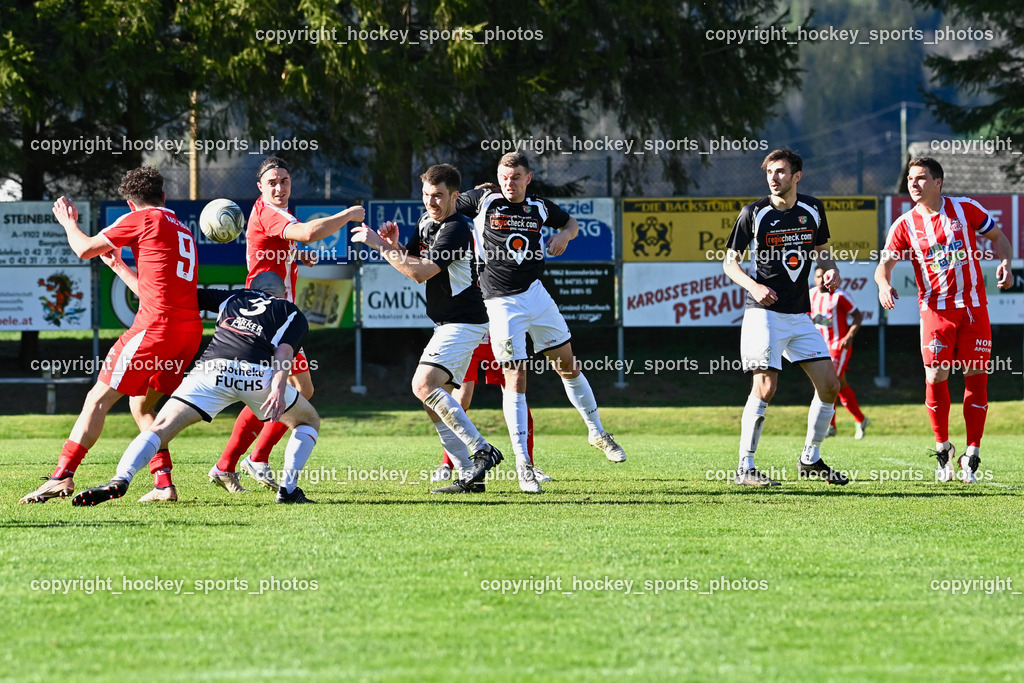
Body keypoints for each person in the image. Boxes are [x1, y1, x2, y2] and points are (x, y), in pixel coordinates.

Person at [20, 167, 202, 504]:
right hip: (187, 332)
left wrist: (68, 223)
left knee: (97, 399)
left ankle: (61, 477)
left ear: (131, 205)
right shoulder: (181, 228)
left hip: (155, 328)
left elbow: (85, 248)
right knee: (142, 406)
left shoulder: (143, 217)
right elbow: (154, 291)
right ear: (163, 196)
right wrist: (119, 266)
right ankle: (164, 484)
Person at [454, 152, 626, 493]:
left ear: (528, 177)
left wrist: (565, 236)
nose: (509, 182)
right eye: (504, 176)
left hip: (537, 296)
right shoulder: (483, 200)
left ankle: (597, 432)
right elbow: (445, 208)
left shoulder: (539, 207)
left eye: (516, 176)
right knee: (516, 378)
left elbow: (571, 224)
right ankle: (524, 467)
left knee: (569, 366)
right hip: (500, 304)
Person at [72, 272, 320, 505]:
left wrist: (125, 268)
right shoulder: (291, 311)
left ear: (251, 288)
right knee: (308, 421)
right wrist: (277, 387)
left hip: (210, 371)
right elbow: (284, 352)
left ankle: (121, 478)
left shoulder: (233, 297)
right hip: (257, 376)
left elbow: (177, 296)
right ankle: (288, 489)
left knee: (160, 428)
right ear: (284, 291)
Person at [351, 164, 504, 492]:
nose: (431, 202)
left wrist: (379, 245)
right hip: (448, 322)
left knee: (422, 385)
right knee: (434, 399)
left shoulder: (456, 228)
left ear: (455, 196)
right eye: (426, 195)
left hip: (464, 321)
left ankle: (482, 450)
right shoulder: (425, 222)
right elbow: (411, 260)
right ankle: (468, 476)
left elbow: (421, 273)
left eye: (438, 196)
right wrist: (393, 246)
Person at [215, 156, 364, 492]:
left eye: (284, 180)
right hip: (268, 318)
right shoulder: (270, 212)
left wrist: (295, 254)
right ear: (260, 187)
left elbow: (276, 247)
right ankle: (244, 461)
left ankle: (237, 463)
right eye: (272, 182)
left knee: (296, 390)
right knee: (281, 392)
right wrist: (348, 214)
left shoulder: (269, 211)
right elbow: (310, 232)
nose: (279, 187)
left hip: (273, 316)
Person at [875, 157, 1013, 483]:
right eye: (910, 178)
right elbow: (884, 266)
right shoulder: (904, 224)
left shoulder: (965, 209)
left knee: (976, 376)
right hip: (935, 312)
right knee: (936, 375)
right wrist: (884, 284)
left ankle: (973, 453)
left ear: (938, 182)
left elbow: (999, 238)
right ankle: (943, 449)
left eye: (921, 178)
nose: (914, 184)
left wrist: (1005, 262)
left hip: (974, 308)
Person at [723, 148, 849, 486]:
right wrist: (754, 286)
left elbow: (822, 253)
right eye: (769, 173)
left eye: (780, 172)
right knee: (766, 386)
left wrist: (831, 270)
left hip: (798, 314)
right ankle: (745, 468)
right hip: (763, 313)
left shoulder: (813, 208)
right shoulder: (754, 213)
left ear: (797, 176)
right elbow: (729, 262)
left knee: (830, 385)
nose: (774, 178)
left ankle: (810, 458)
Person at [431, 336, 550, 486]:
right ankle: (447, 464)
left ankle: (528, 467)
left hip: (501, 338)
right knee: (460, 402)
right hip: (471, 338)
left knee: (517, 401)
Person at [809, 265, 870, 439]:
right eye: (818, 277)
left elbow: (857, 316)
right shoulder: (810, 295)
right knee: (839, 385)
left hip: (838, 346)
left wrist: (849, 336)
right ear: (814, 278)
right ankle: (860, 419)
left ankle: (831, 426)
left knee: (828, 382)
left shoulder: (840, 296)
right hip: (820, 348)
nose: (822, 280)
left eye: (824, 276)